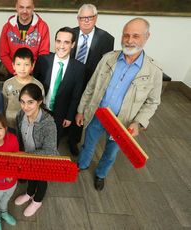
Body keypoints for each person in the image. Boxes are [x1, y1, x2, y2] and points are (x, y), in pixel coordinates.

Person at [76, 18, 162, 191]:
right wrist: (80, 110)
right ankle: (82, 165)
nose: (129, 40)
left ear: (147, 37)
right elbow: (91, 86)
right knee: (88, 143)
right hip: (98, 114)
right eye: (126, 35)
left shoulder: (153, 71)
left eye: (135, 36)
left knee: (111, 152)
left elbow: (152, 102)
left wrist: (138, 123)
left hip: (123, 123)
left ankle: (100, 174)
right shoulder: (108, 58)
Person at [69, 4, 115, 155]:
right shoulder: (70, 34)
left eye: (90, 17)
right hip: (70, 79)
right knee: (67, 106)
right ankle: (63, 132)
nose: (86, 21)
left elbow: (105, 66)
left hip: (90, 83)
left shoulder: (106, 38)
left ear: (95, 18)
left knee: (81, 111)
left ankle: (73, 140)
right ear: (78, 19)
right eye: (83, 18)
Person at [34, 27, 85, 148]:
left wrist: (69, 116)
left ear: (73, 44)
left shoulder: (79, 68)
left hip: (60, 114)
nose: (61, 46)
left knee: (52, 142)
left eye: (66, 42)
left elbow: (75, 96)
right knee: (35, 139)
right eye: (58, 41)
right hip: (40, 109)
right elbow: (34, 85)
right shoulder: (43, 60)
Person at [14, 83, 58, 217]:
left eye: (30, 102)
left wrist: (25, 155)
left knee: (41, 179)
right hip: (27, 157)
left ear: (39, 102)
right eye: (22, 102)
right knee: (30, 175)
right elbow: (19, 135)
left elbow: (50, 151)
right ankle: (29, 193)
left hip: (42, 161)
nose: (25, 107)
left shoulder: (48, 123)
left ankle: (37, 200)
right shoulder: (21, 114)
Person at [0, 0, 49, 77]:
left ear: (33, 7)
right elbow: (3, 54)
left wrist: (29, 70)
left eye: (28, 7)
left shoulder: (43, 27)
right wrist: (15, 71)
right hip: (13, 73)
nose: (25, 11)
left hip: (34, 73)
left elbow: (44, 54)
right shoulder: (7, 27)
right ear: (16, 7)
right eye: (21, 7)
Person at [2, 47, 44, 131]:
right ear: (13, 65)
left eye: (26, 64)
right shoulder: (7, 84)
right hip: (10, 124)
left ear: (32, 65)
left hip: (30, 126)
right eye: (18, 64)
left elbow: (40, 108)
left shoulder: (38, 85)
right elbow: (4, 105)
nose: (22, 68)